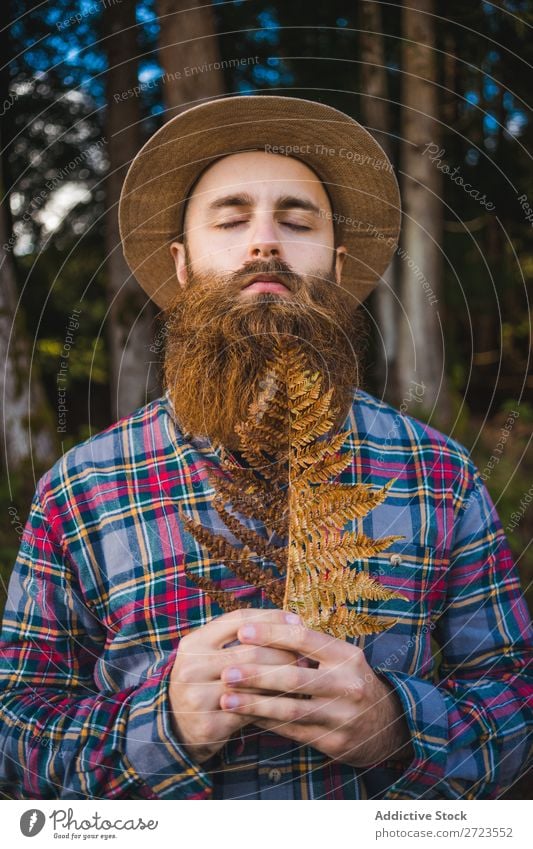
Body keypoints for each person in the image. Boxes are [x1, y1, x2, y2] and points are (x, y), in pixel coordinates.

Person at [0, 96, 531, 801]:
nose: (264, 242)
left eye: (295, 219)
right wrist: (162, 727)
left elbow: (513, 697)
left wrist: (397, 726)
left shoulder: (437, 475)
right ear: (181, 266)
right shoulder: (83, 487)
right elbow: (18, 724)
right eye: (230, 218)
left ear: (337, 267)